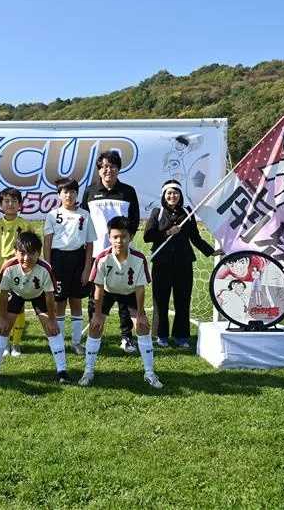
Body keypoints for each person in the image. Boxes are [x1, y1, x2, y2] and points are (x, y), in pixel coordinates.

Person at [80, 216, 163, 389]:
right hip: (108, 293)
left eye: (123, 236)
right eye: (115, 236)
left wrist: (140, 314)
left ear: (131, 237)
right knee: (96, 328)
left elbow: (140, 288)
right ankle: (88, 371)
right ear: (109, 237)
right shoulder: (102, 258)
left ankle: (149, 373)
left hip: (130, 293)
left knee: (142, 327)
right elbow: (99, 288)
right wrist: (96, 315)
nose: (119, 240)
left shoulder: (139, 258)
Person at [142, 179, 220, 347]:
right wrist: (168, 232)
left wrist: (212, 252)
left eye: (175, 193)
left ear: (180, 195)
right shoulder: (157, 212)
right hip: (162, 264)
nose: (172, 196)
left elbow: (195, 238)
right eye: (169, 193)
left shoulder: (188, 213)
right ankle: (161, 336)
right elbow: (148, 236)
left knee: (183, 300)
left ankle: (181, 336)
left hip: (183, 263)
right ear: (164, 195)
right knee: (160, 300)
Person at [0, 231, 70, 384]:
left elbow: (49, 296)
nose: (26, 258)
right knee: (2, 328)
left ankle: (62, 372)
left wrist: (52, 319)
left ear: (38, 253)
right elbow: (4, 294)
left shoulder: (45, 268)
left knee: (53, 330)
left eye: (31, 253)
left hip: (39, 295)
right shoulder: (8, 267)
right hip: (16, 293)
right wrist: (2, 318)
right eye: (22, 253)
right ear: (15, 252)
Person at [83, 150, 141, 354]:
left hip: (123, 253)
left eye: (113, 166)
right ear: (99, 170)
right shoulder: (90, 192)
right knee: (96, 297)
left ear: (118, 169)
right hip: (96, 253)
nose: (108, 170)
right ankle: (95, 335)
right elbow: (85, 220)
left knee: (125, 296)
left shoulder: (128, 191)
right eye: (104, 166)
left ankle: (127, 337)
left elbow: (134, 220)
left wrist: (126, 242)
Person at [43, 177, 96, 355]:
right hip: (58, 260)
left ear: (76, 194)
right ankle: (59, 342)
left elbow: (89, 244)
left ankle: (75, 342)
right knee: (59, 303)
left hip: (78, 259)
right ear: (59, 195)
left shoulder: (84, 215)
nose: (69, 195)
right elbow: (47, 242)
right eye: (65, 192)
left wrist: (87, 268)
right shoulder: (52, 215)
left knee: (76, 301)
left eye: (72, 191)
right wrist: (49, 267)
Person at [0, 187, 32, 357]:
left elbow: (32, 248)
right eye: (6, 201)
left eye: (14, 201)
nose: (10, 204)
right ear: (0, 205)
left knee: (19, 306)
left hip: (22, 268)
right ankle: (4, 342)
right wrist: (1, 263)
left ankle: (16, 343)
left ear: (20, 204)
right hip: (4, 268)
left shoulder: (26, 225)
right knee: (5, 307)